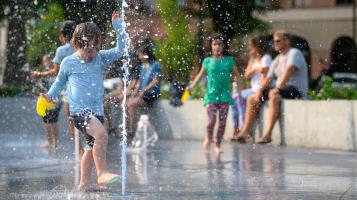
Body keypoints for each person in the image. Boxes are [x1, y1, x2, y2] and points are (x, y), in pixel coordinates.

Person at [41, 11, 126, 191]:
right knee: (102, 135)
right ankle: (101, 173)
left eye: (96, 48)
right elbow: (59, 82)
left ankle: (84, 183)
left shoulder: (100, 57)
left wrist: (118, 28)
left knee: (90, 147)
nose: (93, 53)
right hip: (79, 111)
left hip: (97, 111)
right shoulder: (68, 62)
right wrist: (49, 96)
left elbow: (120, 50)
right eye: (88, 49)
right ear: (77, 44)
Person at [236, 30, 308, 144]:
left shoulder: (294, 53)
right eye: (274, 42)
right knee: (252, 98)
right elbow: (268, 78)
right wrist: (259, 91)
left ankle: (268, 134)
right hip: (281, 89)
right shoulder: (277, 59)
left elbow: (289, 71)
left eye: (278, 41)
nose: (275, 44)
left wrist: (277, 88)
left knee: (273, 94)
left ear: (287, 41)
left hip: (296, 89)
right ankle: (246, 132)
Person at [187, 33, 239, 154]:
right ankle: (208, 136)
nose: (217, 47)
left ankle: (218, 144)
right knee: (211, 121)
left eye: (219, 44)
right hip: (211, 96)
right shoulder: (207, 61)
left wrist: (239, 91)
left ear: (223, 46)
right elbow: (200, 75)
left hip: (225, 96)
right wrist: (192, 86)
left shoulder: (229, 61)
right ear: (211, 46)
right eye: (214, 44)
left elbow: (237, 75)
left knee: (222, 122)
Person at [32, 20, 77, 139]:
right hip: (84, 88)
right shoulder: (81, 47)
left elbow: (56, 71)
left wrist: (40, 74)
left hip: (69, 91)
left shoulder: (61, 50)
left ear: (63, 36)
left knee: (72, 122)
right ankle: (86, 151)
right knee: (83, 123)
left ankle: (80, 153)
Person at [230, 36, 272, 141]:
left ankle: (246, 129)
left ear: (257, 47)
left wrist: (257, 70)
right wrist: (255, 69)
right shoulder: (253, 59)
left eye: (250, 46)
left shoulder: (266, 58)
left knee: (240, 99)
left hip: (260, 88)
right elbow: (247, 75)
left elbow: (267, 73)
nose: (249, 48)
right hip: (253, 88)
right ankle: (235, 128)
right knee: (234, 98)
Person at [126, 45, 162, 141]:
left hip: (151, 95)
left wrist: (144, 90)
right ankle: (130, 129)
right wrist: (135, 92)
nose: (139, 57)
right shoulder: (143, 66)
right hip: (143, 94)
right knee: (128, 102)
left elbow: (156, 80)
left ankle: (131, 131)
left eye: (140, 55)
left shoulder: (155, 65)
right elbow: (139, 82)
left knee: (130, 104)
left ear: (146, 55)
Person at [33, 54, 63, 153]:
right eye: (45, 61)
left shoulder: (55, 72)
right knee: (46, 122)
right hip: (44, 101)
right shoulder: (44, 73)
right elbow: (39, 87)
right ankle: (50, 142)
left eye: (48, 60)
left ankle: (55, 143)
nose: (47, 63)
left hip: (55, 101)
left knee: (53, 121)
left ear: (52, 61)